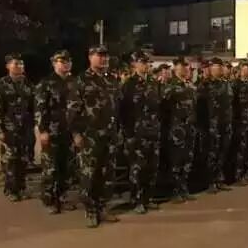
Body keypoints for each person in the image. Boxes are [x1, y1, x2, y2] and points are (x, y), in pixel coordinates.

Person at [68, 46, 121, 226]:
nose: (103, 59)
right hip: (89, 136)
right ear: (90, 57)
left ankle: (103, 207)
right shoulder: (81, 80)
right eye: (99, 56)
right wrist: (76, 134)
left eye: (106, 56)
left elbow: (118, 107)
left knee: (107, 174)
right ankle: (91, 210)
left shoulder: (112, 80)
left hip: (110, 135)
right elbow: (72, 110)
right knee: (89, 174)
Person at [36, 50, 77, 215]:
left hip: (70, 131)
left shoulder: (75, 82)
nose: (66, 64)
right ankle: (49, 199)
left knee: (67, 167)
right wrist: (43, 130)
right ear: (54, 63)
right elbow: (40, 108)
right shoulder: (46, 83)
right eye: (62, 61)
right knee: (50, 168)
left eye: (68, 61)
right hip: (52, 131)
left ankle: (62, 197)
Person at [121, 52, 161, 214]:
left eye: (147, 62)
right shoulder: (129, 85)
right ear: (134, 64)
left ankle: (148, 198)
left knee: (152, 167)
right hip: (137, 133)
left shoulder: (153, 82)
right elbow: (123, 111)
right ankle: (136, 199)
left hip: (153, 132)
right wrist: (128, 134)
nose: (146, 65)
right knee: (137, 168)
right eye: (142, 62)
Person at [0, 54, 35, 202]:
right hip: (9, 128)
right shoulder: (1, 85)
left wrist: (33, 125)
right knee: (11, 160)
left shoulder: (28, 84)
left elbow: (33, 106)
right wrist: (0, 130)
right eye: (16, 64)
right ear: (8, 66)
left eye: (21, 64)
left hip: (25, 128)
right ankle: (11, 189)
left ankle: (21, 187)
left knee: (24, 159)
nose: (19, 66)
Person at [162, 57, 197, 202]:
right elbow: (164, 108)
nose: (186, 68)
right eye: (183, 66)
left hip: (189, 128)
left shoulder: (189, 85)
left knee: (187, 160)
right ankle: (175, 190)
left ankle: (184, 188)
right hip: (176, 129)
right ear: (176, 67)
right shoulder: (170, 85)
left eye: (187, 66)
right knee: (176, 160)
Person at [198, 57, 233, 193]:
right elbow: (200, 108)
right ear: (211, 69)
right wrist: (205, 127)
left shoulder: (226, 84)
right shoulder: (205, 85)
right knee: (211, 154)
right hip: (212, 126)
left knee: (223, 152)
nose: (219, 69)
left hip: (225, 123)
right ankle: (210, 182)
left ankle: (219, 179)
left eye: (220, 67)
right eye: (216, 67)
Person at [233, 60, 248, 185]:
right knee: (240, 150)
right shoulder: (235, 85)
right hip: (241, 122)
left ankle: (246, 174)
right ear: (240, 70)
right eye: (246, 68)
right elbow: (235, 104)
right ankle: (238, 176)